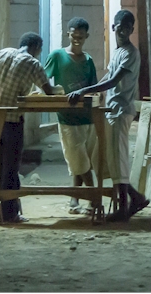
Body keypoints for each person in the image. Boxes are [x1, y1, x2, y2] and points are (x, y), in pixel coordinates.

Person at [67, 10, 149, 222]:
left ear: (132, 29)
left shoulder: (131, 53)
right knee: (111, 160)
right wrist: (93, 90)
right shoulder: (118, 51)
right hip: (112, 110)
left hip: (120, 111)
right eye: (119, 25)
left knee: (118, 159)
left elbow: (113, 81)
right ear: (113, 27)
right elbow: (109, 77)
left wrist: (85, 90)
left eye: (127, 26)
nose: (122, 30)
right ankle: (133, 198)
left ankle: (126, 204)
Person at [0, 32, 57, 223]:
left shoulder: (3, 53)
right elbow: (49, 92)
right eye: (39, 50)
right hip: (13, 121)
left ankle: (1, 210)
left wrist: (2, 90)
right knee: (11, 167)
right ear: (36, 47)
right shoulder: (32, 64)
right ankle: (10, 214)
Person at [45, 17, 100, 216]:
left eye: (81, 36)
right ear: (68, 34)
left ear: (86, 36)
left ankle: (74, 199)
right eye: (74, 35)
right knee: (78, 158)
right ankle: (94, 198)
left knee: (82, 159)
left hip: (86, 116)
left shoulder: (88, 60)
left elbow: (94, 86)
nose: (77, 39)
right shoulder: (57, 56)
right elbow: (43, 79)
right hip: (67, 116)